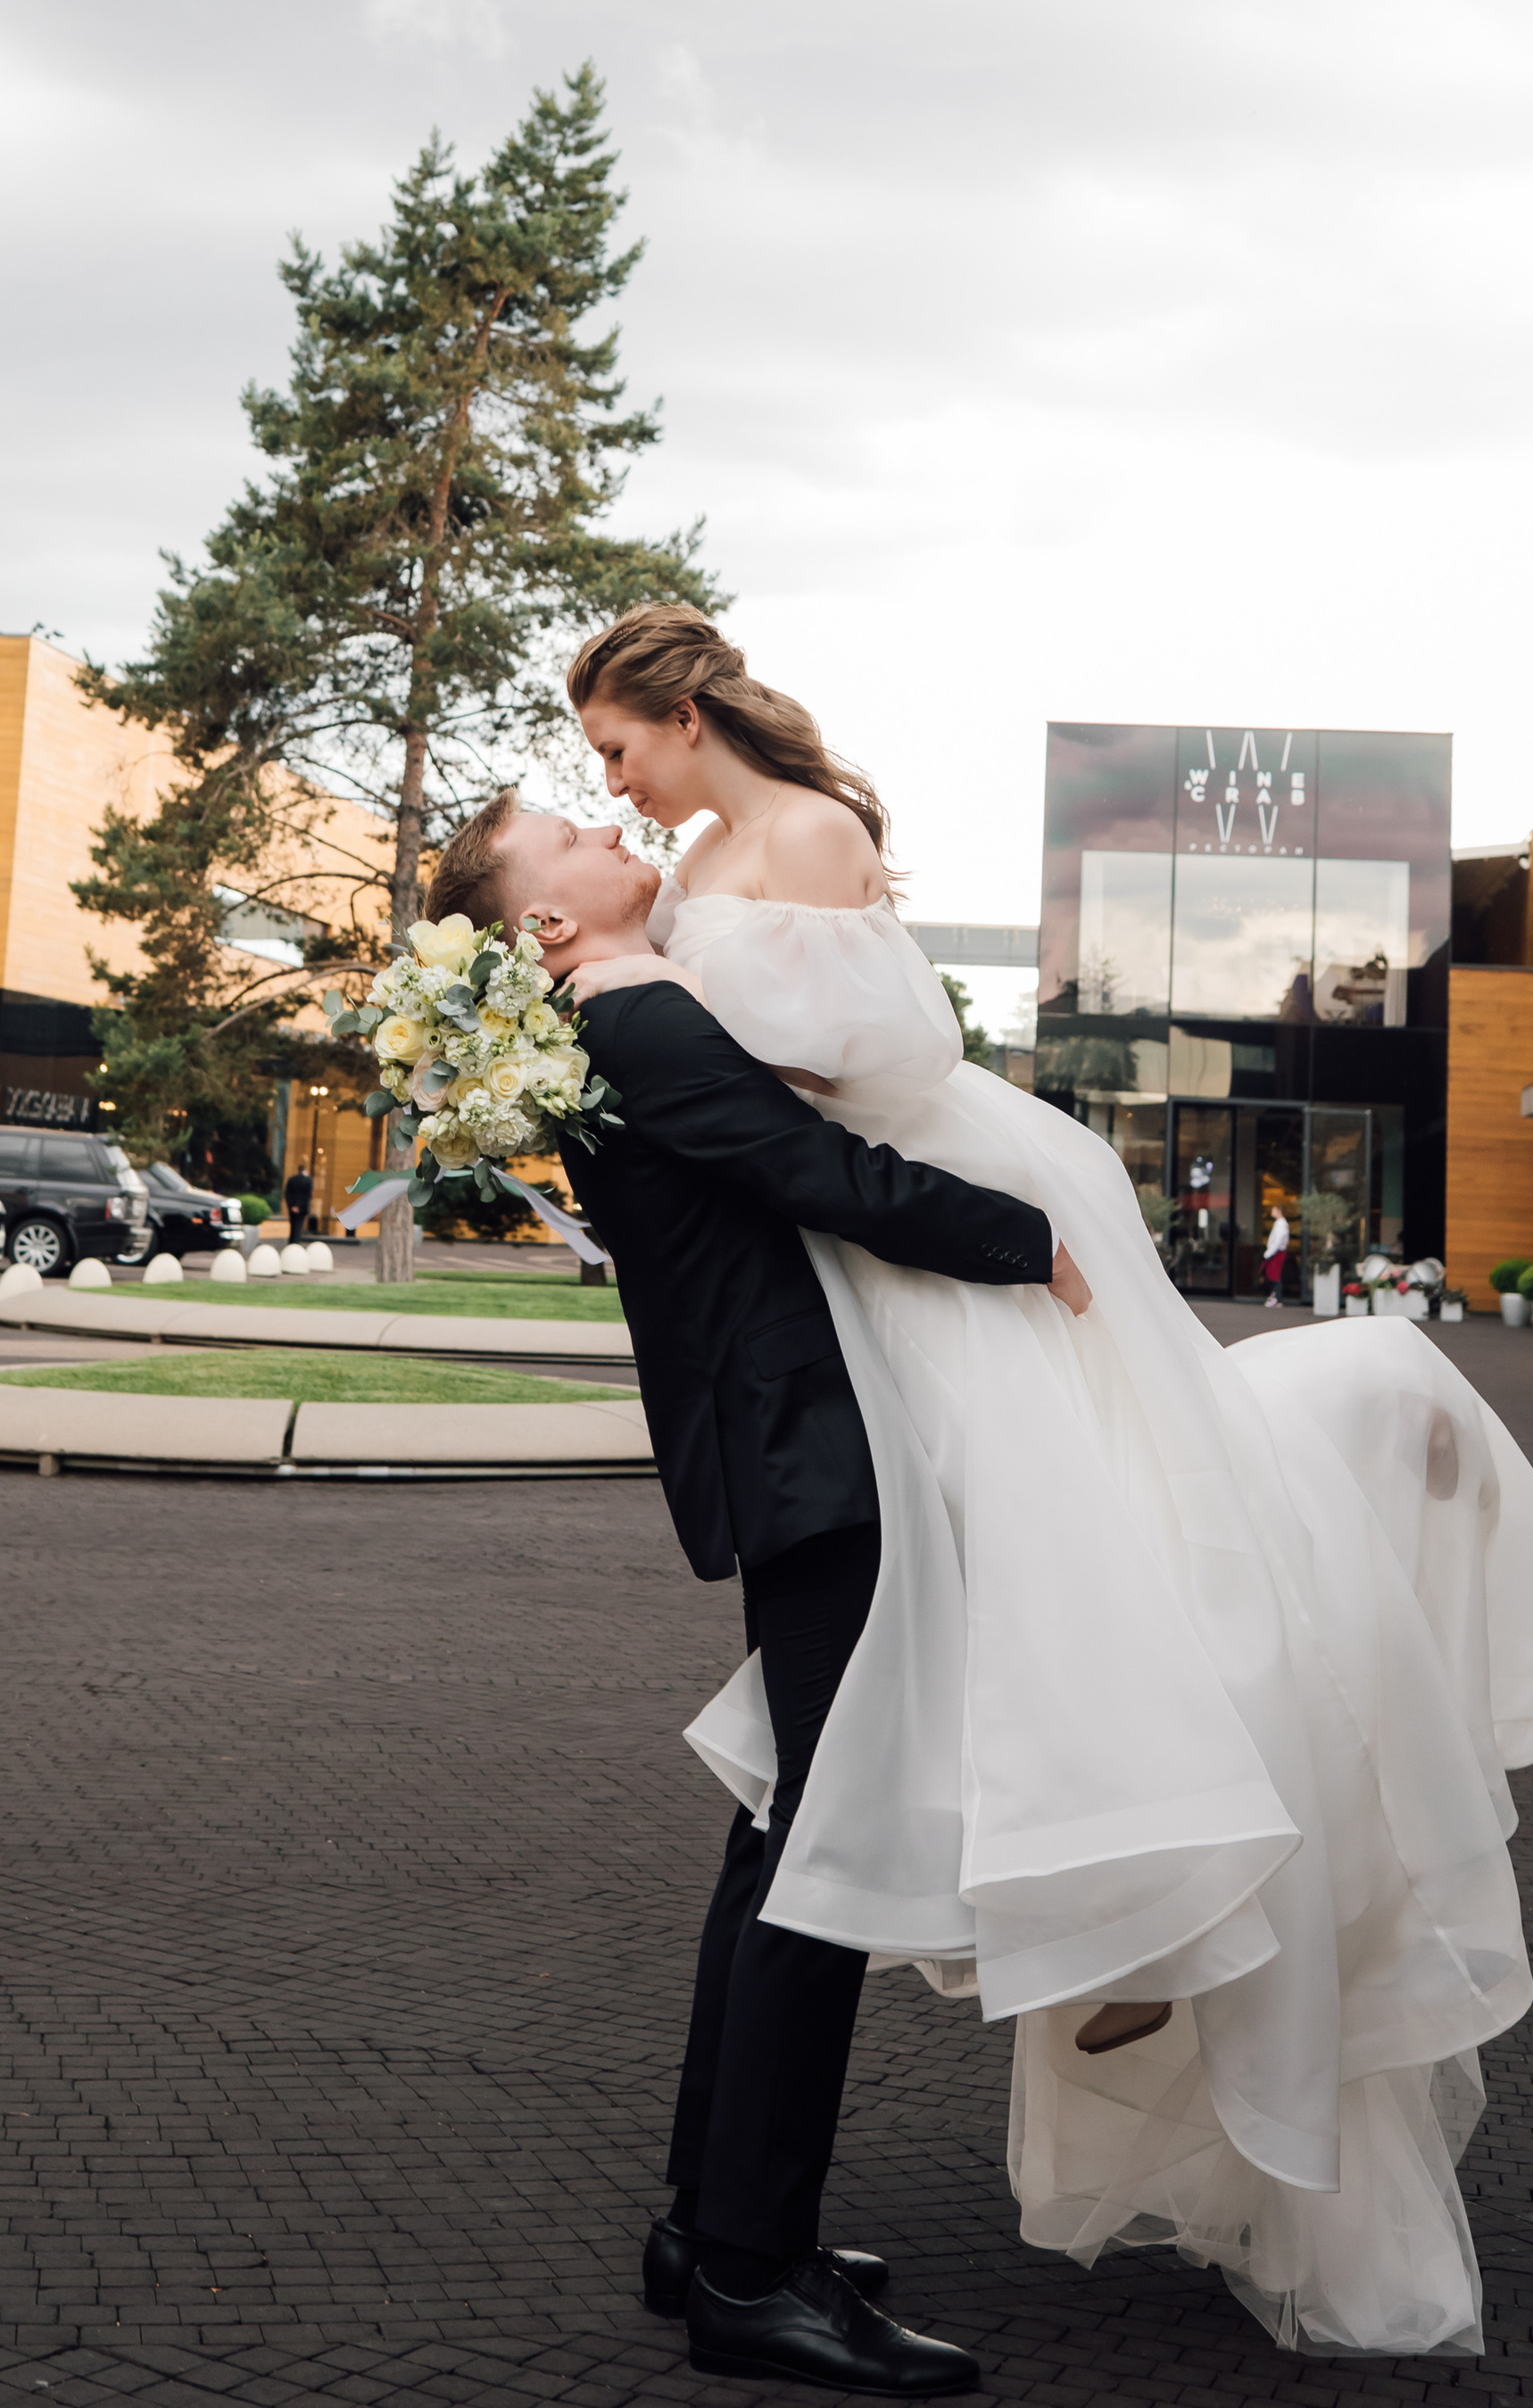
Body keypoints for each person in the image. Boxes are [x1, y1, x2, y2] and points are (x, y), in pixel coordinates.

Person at [522, 602, 1533, 2363]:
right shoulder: (658, 932)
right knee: (845, 1796)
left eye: (613, 749)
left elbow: (828, 1107)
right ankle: (749, 2237)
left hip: (932, 1250)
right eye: (588, 782)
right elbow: (776, 1140)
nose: (610, 787)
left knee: (997, 1663)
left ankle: (749, 2219)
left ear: (678, 714)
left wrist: (997, 1236)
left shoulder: (769, 856)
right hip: (888, 1290)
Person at [426, 793, 1071, 2398]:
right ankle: (748, 2275)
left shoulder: (615, 1018)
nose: (602, 821)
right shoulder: (631, 1013)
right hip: (810, 1459)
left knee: (782, 1830)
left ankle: (703, 2226)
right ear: (545, 927)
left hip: (787, 1453)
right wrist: (1034, 1236)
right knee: (821, 1857)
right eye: (566, 831)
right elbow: (815, 1171)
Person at [1262, 1205, 1291, 1308]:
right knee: (1272, 1274)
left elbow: (1278, 1241)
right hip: (1276, 1252)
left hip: (1277, 1252)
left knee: (1274, 1275)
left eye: (1273, 1210)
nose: (1271, 1212)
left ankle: (1277, 1298)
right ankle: (1275, 1297)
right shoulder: (1280, 1223)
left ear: (1279, 1211)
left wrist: (1269, 1253)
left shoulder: (1281, 1224)